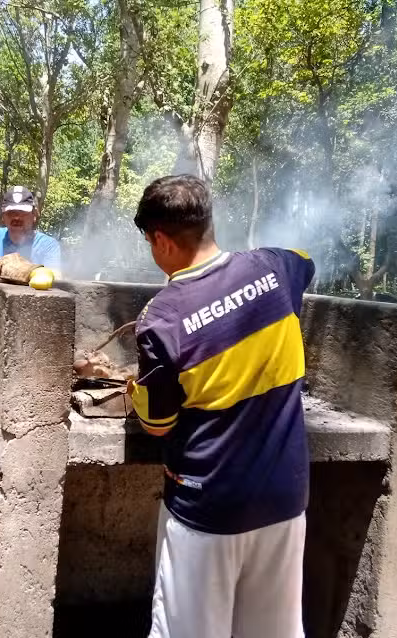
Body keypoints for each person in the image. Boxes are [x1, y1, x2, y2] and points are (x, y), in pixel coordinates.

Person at [126, 175, 315, 638]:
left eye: (150, 242)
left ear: (163, 241)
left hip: (208, 507)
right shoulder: (275, 267)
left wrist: (136, 391)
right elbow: (307, 263)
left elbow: (157, 424)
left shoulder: (162, 319)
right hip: (286, 500)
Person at [0, 186, 61, 273]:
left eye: (23, 213)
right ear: (3, 216)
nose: (17, 217)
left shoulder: (48, 246)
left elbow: (53, 278)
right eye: (11, 212)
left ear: (34, 215)